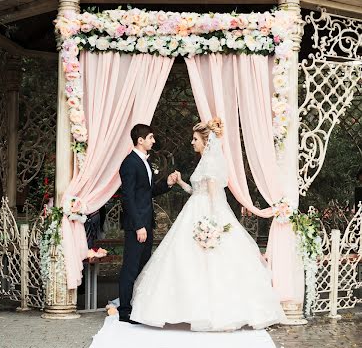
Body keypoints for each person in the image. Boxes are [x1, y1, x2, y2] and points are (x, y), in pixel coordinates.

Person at [130, 117, 286, 331]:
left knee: (208, 261)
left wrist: (211, 224)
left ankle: (213, 312)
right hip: (195, 208)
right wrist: (181, 182)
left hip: (204, 215)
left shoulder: (210, 163)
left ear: (205, 141)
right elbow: (197, 191)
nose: (192, 142)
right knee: (185, 259)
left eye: (195, 139)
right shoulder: (204, 161)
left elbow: (213, 196)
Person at [118, 123, 178, 323]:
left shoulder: (145, 162)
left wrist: (167, 183)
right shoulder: (129, 163)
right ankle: (125, 311)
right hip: (138, 225)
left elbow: (148, 191)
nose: (154, 140)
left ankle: (138, 307)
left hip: (146, 223)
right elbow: (127, 198)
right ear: (140, 140)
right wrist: (138, 226)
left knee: (143, 266)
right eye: (151, 137)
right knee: (131, 267)